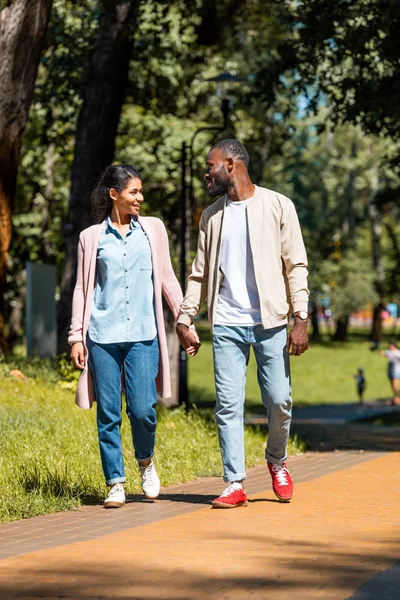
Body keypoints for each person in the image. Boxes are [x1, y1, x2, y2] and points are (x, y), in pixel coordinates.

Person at [176, 139, 309, 508]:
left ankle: (276, 461)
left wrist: (301, 317)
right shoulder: (212, 216)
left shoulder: (278, 206)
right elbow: (199, 274)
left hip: (270, 321)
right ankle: (234, 482)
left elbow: (295, 265)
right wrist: (186, 316)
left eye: (211, 165)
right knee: (228, 405)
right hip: (227, 324)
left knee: (279, 401)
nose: (207, 172)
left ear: (231, 164)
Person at [69, 164, 199, 509]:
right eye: (134, 192)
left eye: (141, 192)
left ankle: (145, 461)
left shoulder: (153, 229)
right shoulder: (91, 238)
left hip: (143, 334)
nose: (140, 198)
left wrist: (184, 320)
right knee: (108, 413)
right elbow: (83, 289)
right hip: (102, 336)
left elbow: (168, 278)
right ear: (115, 195)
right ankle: (115, 481)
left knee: (143, 409)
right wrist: (76, 337)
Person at [379, 341, 400, 405]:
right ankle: (395, 398)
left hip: (397, 370)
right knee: (393, 386)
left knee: (395, 385)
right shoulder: (389, 352)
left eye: (390, 345)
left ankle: (397, 399)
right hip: (390, 370)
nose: (389, 347)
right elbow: (382, 353)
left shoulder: (398, 352)